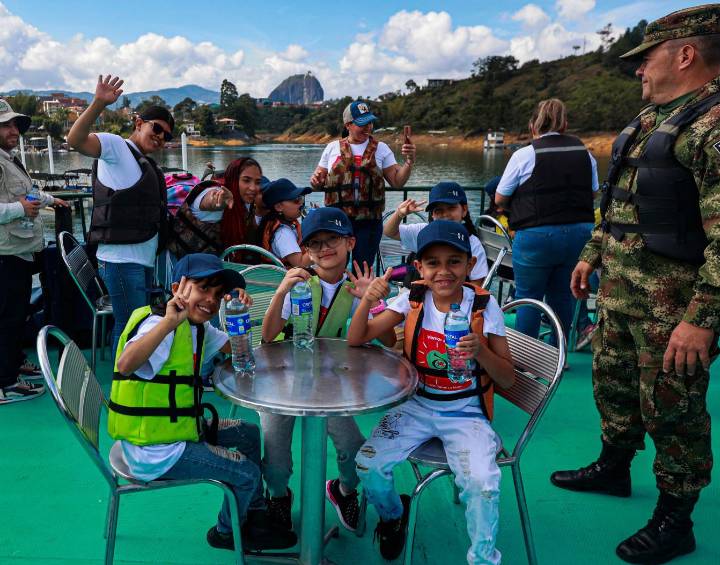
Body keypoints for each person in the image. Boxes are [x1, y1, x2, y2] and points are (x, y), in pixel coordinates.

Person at [551, 5, 720, 563]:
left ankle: (676, 518)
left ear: (685, 54)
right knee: (616, 386)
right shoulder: (655, 119)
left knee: (674, 409)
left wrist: (701, 321)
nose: (638, 70)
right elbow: (622, 204)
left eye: (646, 57)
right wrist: (592, 252)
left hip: (675, 308)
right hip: (624, 292)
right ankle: (613, 467)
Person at [348, 220, 515, 564]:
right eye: (433, 262)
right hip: (416, 407)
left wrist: (480, 351)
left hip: (466, 413)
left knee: (483, 483)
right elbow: (357, 338)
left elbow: (509, 379)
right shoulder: (412, 299)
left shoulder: (484, 307)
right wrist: (367, 300)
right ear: (419, 267)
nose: (443, 271)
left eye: (454, 261)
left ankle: (483, 558)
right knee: (367, 464)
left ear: (470, 265)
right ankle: (394, 516)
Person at [108, 253, 297, 553]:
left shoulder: (199, 328)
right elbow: (126, 363)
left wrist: (238, 316)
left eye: (218, 294)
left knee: (247, 432)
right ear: (177, 289)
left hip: (177, 430)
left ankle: (254, 513)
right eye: (203, 288)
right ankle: (226, 531)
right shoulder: (161, 324)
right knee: (246, 473)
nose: (211, 299)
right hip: (155, 451)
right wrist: (168, 323)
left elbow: (240, 353)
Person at [260, 207, 384, 535]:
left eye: (333, 239)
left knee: (354, 448)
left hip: (333, 384)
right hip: (284, 379)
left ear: (350, 243)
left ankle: (343, 491)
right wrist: (280, 290)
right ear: (306, 252)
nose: (324, 248)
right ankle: (278, 496)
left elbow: (387, 339)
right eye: (315, 243)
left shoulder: (360, 286)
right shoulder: (300, 284)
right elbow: (268, 335)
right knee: (275, 458)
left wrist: (371, 300)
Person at [67, 75, 172, 358]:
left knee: (138, 326)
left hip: (140, 260)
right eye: (157, 128)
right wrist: (99, 103)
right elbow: (75, 139)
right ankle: (121, 388)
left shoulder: (143, 161)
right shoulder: (115, 147)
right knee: (130, 328)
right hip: (121, 262)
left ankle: (130, 384)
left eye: (167, 135)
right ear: (138, 123)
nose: (161, 136)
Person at [495, 98, 599, 344]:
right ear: (565, 124)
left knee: (529, 296)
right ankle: (557, 355)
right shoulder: (586, 154)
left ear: (534, 126)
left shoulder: (525, 155)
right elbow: (592, 192)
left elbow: (500, 198)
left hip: (536, 236)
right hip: (579, 235)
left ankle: (527, 358)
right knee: (563, 295)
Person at [0, 99, 68, 404]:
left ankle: (12, 364)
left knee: (17, 314)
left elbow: (27, 192)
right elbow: (19, 202)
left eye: (15, 125)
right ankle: (5, 383)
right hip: (5, 253)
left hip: (18, 250)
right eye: (6, 125)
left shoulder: (9, 159)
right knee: (7, 317)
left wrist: (52, 200)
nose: (14, 130)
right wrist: (20, 208)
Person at [309, 100, 416, 269]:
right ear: (348, 125)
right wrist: (315, 181)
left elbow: (397, 181)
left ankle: (361, 296)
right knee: (335, 269)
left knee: (362, 270)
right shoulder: (332, 148)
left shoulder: (381, 149)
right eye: (362, 124)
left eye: (370, 122)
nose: (368, 128)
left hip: (369, 223)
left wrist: (409, 161)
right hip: (337, 223)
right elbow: (317, 181)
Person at [383, 181, 489, 286]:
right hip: (417, 296)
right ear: (432, 215)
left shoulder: (473, 243)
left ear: (464, 210)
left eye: (451, 208)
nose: (446, 215)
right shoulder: (423, 232)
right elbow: (389, 232)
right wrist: (399, 214)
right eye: (439, 210)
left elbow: (477, 285)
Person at [258, 178, 311, 268]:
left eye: (302, 198)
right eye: (296, 200)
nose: (302, 203)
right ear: (279, 207)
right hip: (286, 278)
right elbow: (300, 264)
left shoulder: (288, 224)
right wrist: (321, 246)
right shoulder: (283, 233)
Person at [219, 158, 264, 257]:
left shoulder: (247, 206)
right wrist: (216, 202)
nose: (253, 188)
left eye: (257, 182)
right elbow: (208, 202)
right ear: (233, 179)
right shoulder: (219, 195)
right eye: (246, 180)